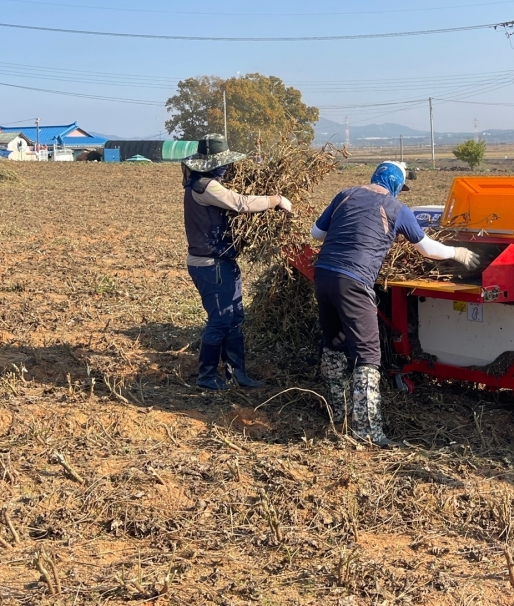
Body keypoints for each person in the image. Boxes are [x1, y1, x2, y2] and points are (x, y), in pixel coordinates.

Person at [311, 161, 479, 447]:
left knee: (334, 343)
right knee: (368, 355)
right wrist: (458, 252)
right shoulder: (396, 208)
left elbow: (317, 234)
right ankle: (367, 433)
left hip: (323, 275)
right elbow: (426, 248)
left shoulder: (345, 194)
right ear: (396, 185)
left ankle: (337, 414)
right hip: (353, 280)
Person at [182, 134, 292, 390]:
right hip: (210, 264)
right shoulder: (205, 186)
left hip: (220, 262)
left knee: (233, 317)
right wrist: (275, 200)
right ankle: (206, 377)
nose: (225, 167)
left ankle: (237, 374)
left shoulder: (203, 184)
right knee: (220, 319)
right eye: (221, 162)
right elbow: (240, 203)